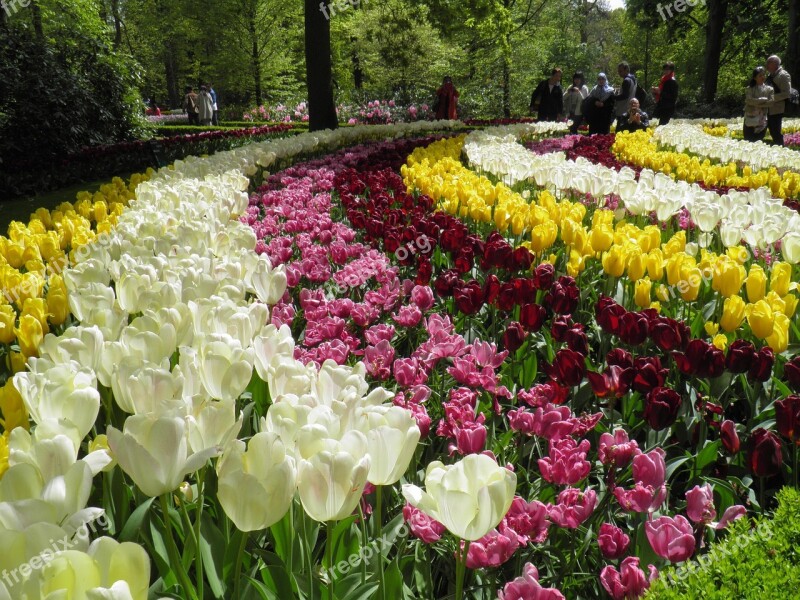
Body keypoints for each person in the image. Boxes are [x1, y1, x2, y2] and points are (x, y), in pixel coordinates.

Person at [765, 55, 792, 145]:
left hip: (777, 109)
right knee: (772, 131)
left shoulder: (783, 75)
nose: (766, 64)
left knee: (776, 132)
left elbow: (786, 93)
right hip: (768, 108)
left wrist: (771, 98)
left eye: (769, 62)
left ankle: (780, 148)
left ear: (775, 63)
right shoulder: (771, 75)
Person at [743, 66, 774, 142]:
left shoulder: (769, 89)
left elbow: (771, 102)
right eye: (760, 75)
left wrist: (757, 103)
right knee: (748, 140)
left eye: (764, 75)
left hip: (762, 119)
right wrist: (762, 100)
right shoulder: (749, 88)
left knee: (758, 141)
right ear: (754, 78)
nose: (763, 77)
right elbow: (749, 100)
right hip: (750, 118)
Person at [613, 62, 638, 129]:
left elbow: (625, 95)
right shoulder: (633, 79)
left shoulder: (626, 81)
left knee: (620, 131)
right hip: (630, 109)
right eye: (618, 71)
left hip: (623, 110)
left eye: (620, 71)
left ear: (626, 70)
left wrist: (613, 97)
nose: (619, 73)